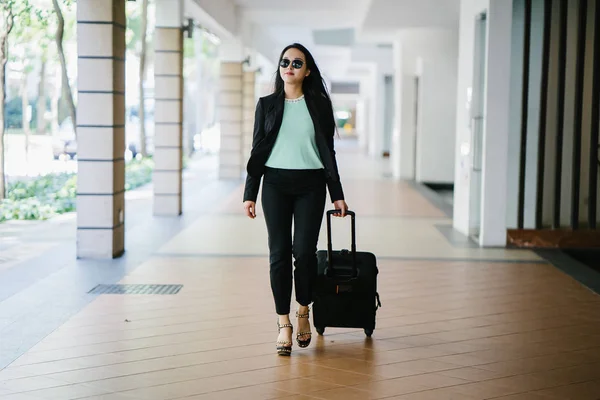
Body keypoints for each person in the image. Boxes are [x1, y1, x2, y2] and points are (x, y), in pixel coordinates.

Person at [242, 43, 349, 356]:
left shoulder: (318, 105)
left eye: (296, 62)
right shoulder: (266, 105)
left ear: (307, 70)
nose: (289, 66)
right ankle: (283, 322)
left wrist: (337, 195)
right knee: (278, 254)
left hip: (311, 186)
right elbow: (257, 152)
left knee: (303, 253)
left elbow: (328, 153)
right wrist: (250, 193)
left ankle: (304, 312)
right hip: (274, 184)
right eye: (284, 62)